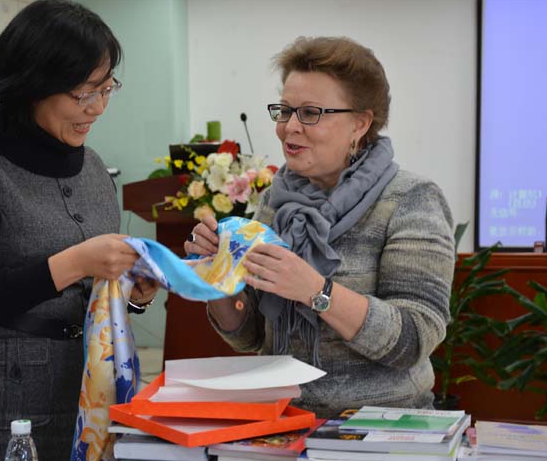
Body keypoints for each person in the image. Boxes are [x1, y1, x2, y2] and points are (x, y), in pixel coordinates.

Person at [0, 0, 158, 459]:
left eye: (106, 89)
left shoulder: (94, 167)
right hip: (0, 396)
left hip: (89, 386)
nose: (98, 108)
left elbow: (90, 293)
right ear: (33, 85)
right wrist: (74, 263)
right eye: (83, 94)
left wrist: (133, 293)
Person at [184, 36, 455, 418]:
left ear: (360, 123)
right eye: (284, 111)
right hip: (281, 420)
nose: (289, 127)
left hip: (381, 426)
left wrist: (316, 291)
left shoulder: (411, 199)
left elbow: (413, 338)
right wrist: (218, 278)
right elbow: (251, 336)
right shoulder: (276, 201)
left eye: (310, 113)